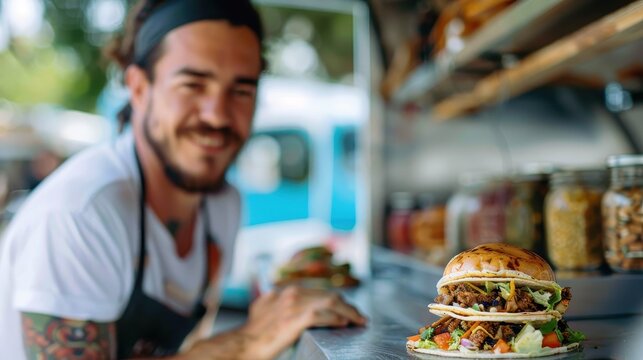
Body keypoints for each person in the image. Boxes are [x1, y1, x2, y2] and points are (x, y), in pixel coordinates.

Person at [0, 1, 366, 359]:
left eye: (241, 90)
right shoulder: (82, 213)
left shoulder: (221, 205)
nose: (218, 115)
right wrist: (247, 343)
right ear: (140, 89)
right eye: (193, 84)